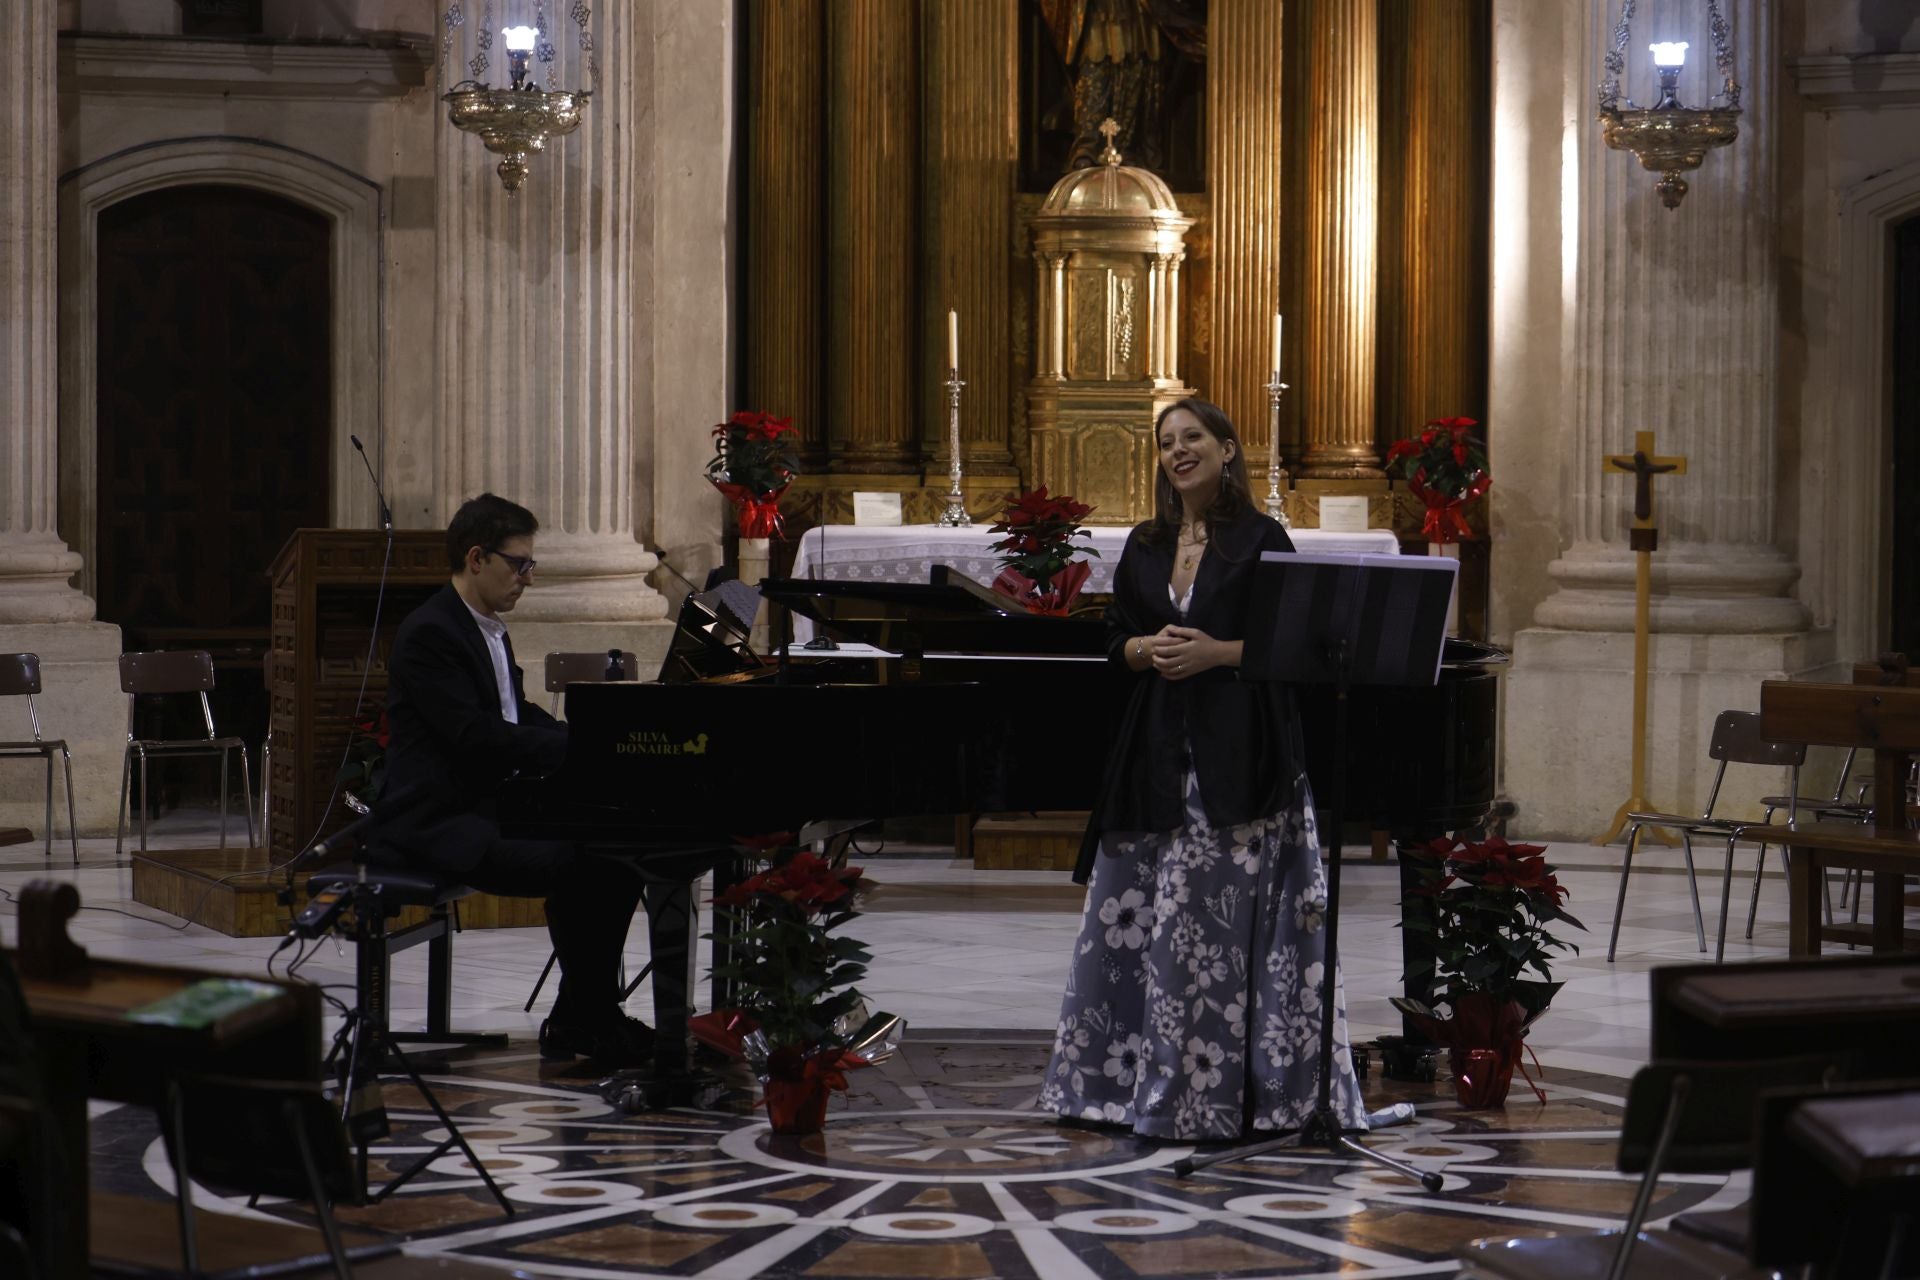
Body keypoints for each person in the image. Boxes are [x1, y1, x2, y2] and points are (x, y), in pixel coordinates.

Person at [1038, 397, 1368, 1141]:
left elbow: (1299, 644)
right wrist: (1141, 650)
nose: (1179, 451)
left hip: (1239, 762)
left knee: (1208, 936)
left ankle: (1224, 1099)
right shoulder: (1146, 542)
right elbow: (1113, 638)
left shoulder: (1261, 538)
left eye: (1193, 438)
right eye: (1167, 443)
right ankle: (1121, 1091)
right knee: (1133, 927)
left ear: (1227, 450)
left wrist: (1217, 653)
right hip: (1153, 760)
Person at [372, 493, 653, 1066]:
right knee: (586, 865)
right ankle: (588, 1020)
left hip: (487, 808)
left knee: (619, 851)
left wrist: (586, 739)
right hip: (439, 822)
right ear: (477, 558)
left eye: (530, 564)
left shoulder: (485, 627)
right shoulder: (431, 633)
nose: (528, 577)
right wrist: (576, 749)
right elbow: (474, 736)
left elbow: (515, 713)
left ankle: (582, 1017)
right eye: (519, 563)